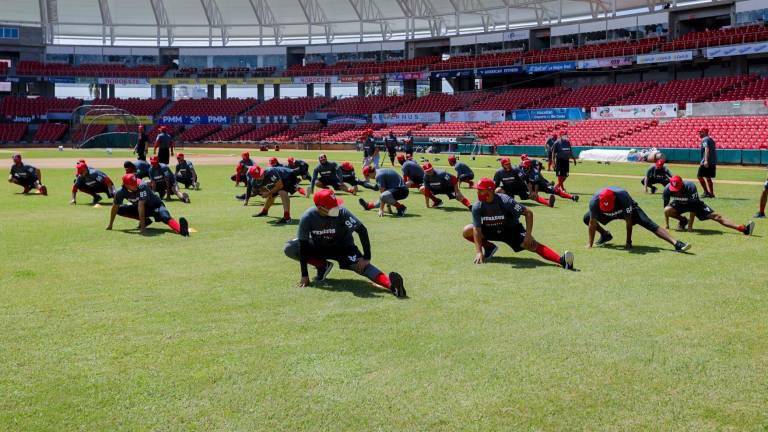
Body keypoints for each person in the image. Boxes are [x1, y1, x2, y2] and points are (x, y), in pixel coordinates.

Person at [283, 189, 406, 297]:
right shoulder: (308, 217)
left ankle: (392, 286)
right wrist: (304, 275)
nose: (336, 208)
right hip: (319, 247)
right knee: (290, 247)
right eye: (332, 207)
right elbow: (304, 246)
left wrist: (366, 257)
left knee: (363, 267)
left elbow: (361, 230)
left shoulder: (342, 213)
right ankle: (322, 265)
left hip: (344, 248)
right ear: (320, 208)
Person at [462, 178, 574, 269]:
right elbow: (477, 229)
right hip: (491, 229)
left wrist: (528, 235)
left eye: (481, 190)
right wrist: (478, 252)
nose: (478, 192)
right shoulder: (477, 206)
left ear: (490, 190)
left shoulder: (505, 201)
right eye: (478, 190)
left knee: (532, 245)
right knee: (467, 230)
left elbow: (528, 213)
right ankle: (489, 247)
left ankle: (562, 261)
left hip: (511, 230)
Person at [584, 187, 690, 252]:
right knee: (587, 217)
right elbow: (592, 223)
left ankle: (676, 244)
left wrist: (628, 242)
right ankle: (605, 235)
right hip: (606, 213)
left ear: (614, 199)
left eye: (610, 205)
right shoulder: (594, 202)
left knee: (649, 224)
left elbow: (629, 222)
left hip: (627, 210)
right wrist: (590, 244)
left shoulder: (623, 197)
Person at [663, 175, 754, 235]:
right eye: (674, 189)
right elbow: (665, 208)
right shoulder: (667, 189)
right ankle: (683, 221)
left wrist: (690, 227)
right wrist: (667, 225)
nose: (676, 191)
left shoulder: (690, 187)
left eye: (678, 188)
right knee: (667, 210)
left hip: (696, 205)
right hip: (679, 205)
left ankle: (743, 229)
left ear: (682, 184)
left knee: (717, 217)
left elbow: (693, 209)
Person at [107, 173, 189, 236]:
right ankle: (146, 221)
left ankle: (181, 230)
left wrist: (142, 228)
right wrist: (110, 225)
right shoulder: (120, 192)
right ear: (125, 185)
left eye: (135, 182)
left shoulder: (142, 186)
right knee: (119, 209)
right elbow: (115, 207)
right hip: (142, 209)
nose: (136, 185)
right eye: (133, 184)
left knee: (165, 216)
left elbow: (141, 206)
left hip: (155, 206)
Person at [697, 128, 717, 198]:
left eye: (700, 132)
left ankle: (706, 192)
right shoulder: (710, 139)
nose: (699, 133)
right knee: (708, 177)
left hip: (706, 161)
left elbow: (707, 149)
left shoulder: (705, 139)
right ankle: (711, 193)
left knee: (699, 176)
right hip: (712, 161)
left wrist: (705, 160)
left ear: (704, 132)